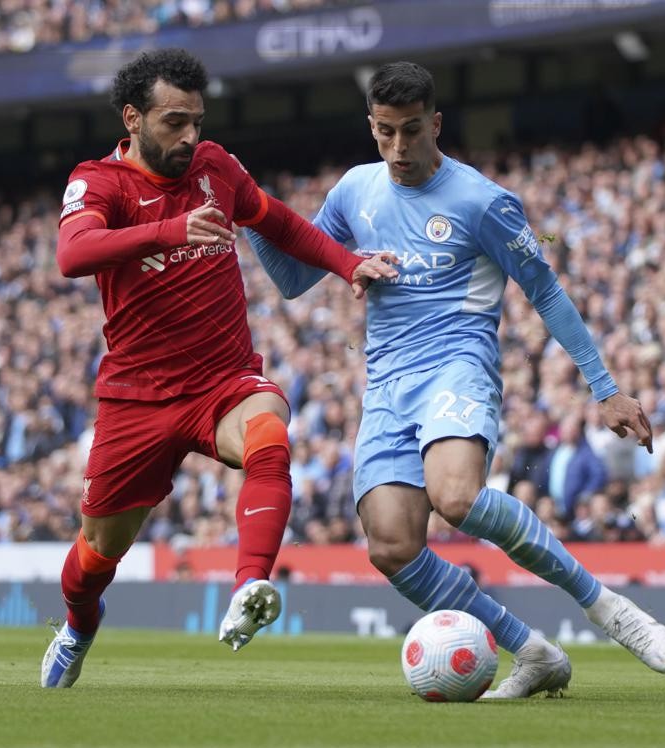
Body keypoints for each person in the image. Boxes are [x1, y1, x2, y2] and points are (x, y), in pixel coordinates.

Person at [247, 61, 665, 698]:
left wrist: (604, 387)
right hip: (387, 384)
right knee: (391, 546)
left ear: (436, 124)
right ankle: (532, 653)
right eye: (385, 132)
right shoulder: (354, 192)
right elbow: (291, 281)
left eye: (412, 131)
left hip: (457, 364)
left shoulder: (482, 201)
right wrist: (248, 211)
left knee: (457, 498)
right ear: (371, 127)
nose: (398, 148)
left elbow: (546, 292)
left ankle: (606, 607)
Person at [40, 49, 397, 688]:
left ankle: (249, 585)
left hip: (222, 381)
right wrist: (169, 230)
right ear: (133, 117)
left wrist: (348, 264)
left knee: (270, 436)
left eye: (197, 121)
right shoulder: (99, 182)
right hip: (137, 398)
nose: (190, 136)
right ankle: (77, 628)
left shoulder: (215, 167)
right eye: (174, 122)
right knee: (94, 559)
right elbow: (73, 253)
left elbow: (278, 221)